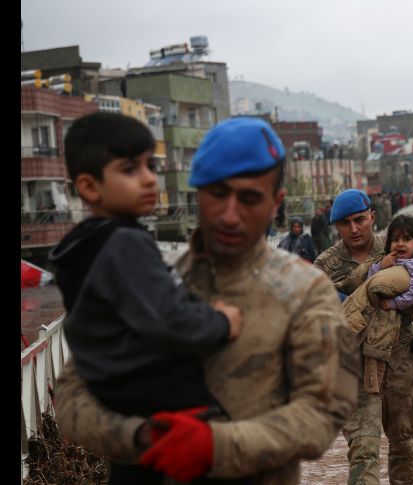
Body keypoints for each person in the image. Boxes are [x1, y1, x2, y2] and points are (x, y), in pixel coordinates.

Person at [54, 117, 359, 485]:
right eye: (217, 194)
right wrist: (144, 436)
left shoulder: (304, 292)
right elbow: (72, 397)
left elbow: (322, 413)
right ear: (196, 191)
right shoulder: (142, 279)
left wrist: (215, 446)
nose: (229, 215)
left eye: (249, 198)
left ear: (276, 203)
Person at [48, 112, 245, 485]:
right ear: (90, 187)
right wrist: (222, 322)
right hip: (173, 413)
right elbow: (171, 322)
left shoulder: (82, 248)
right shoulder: (125, 243)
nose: (149, 178)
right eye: (129, 169)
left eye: (150, 165)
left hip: (125, 413)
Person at [314, 189, 413, 485]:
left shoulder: (399, 246)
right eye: (345, 223)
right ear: (336, 226)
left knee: (403, 445)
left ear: (372, 216)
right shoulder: (327, 265)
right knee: (363, 449)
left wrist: (410, 287)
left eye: (360, 219)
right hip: (356, 368)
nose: (354, 228)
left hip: (401, 363)